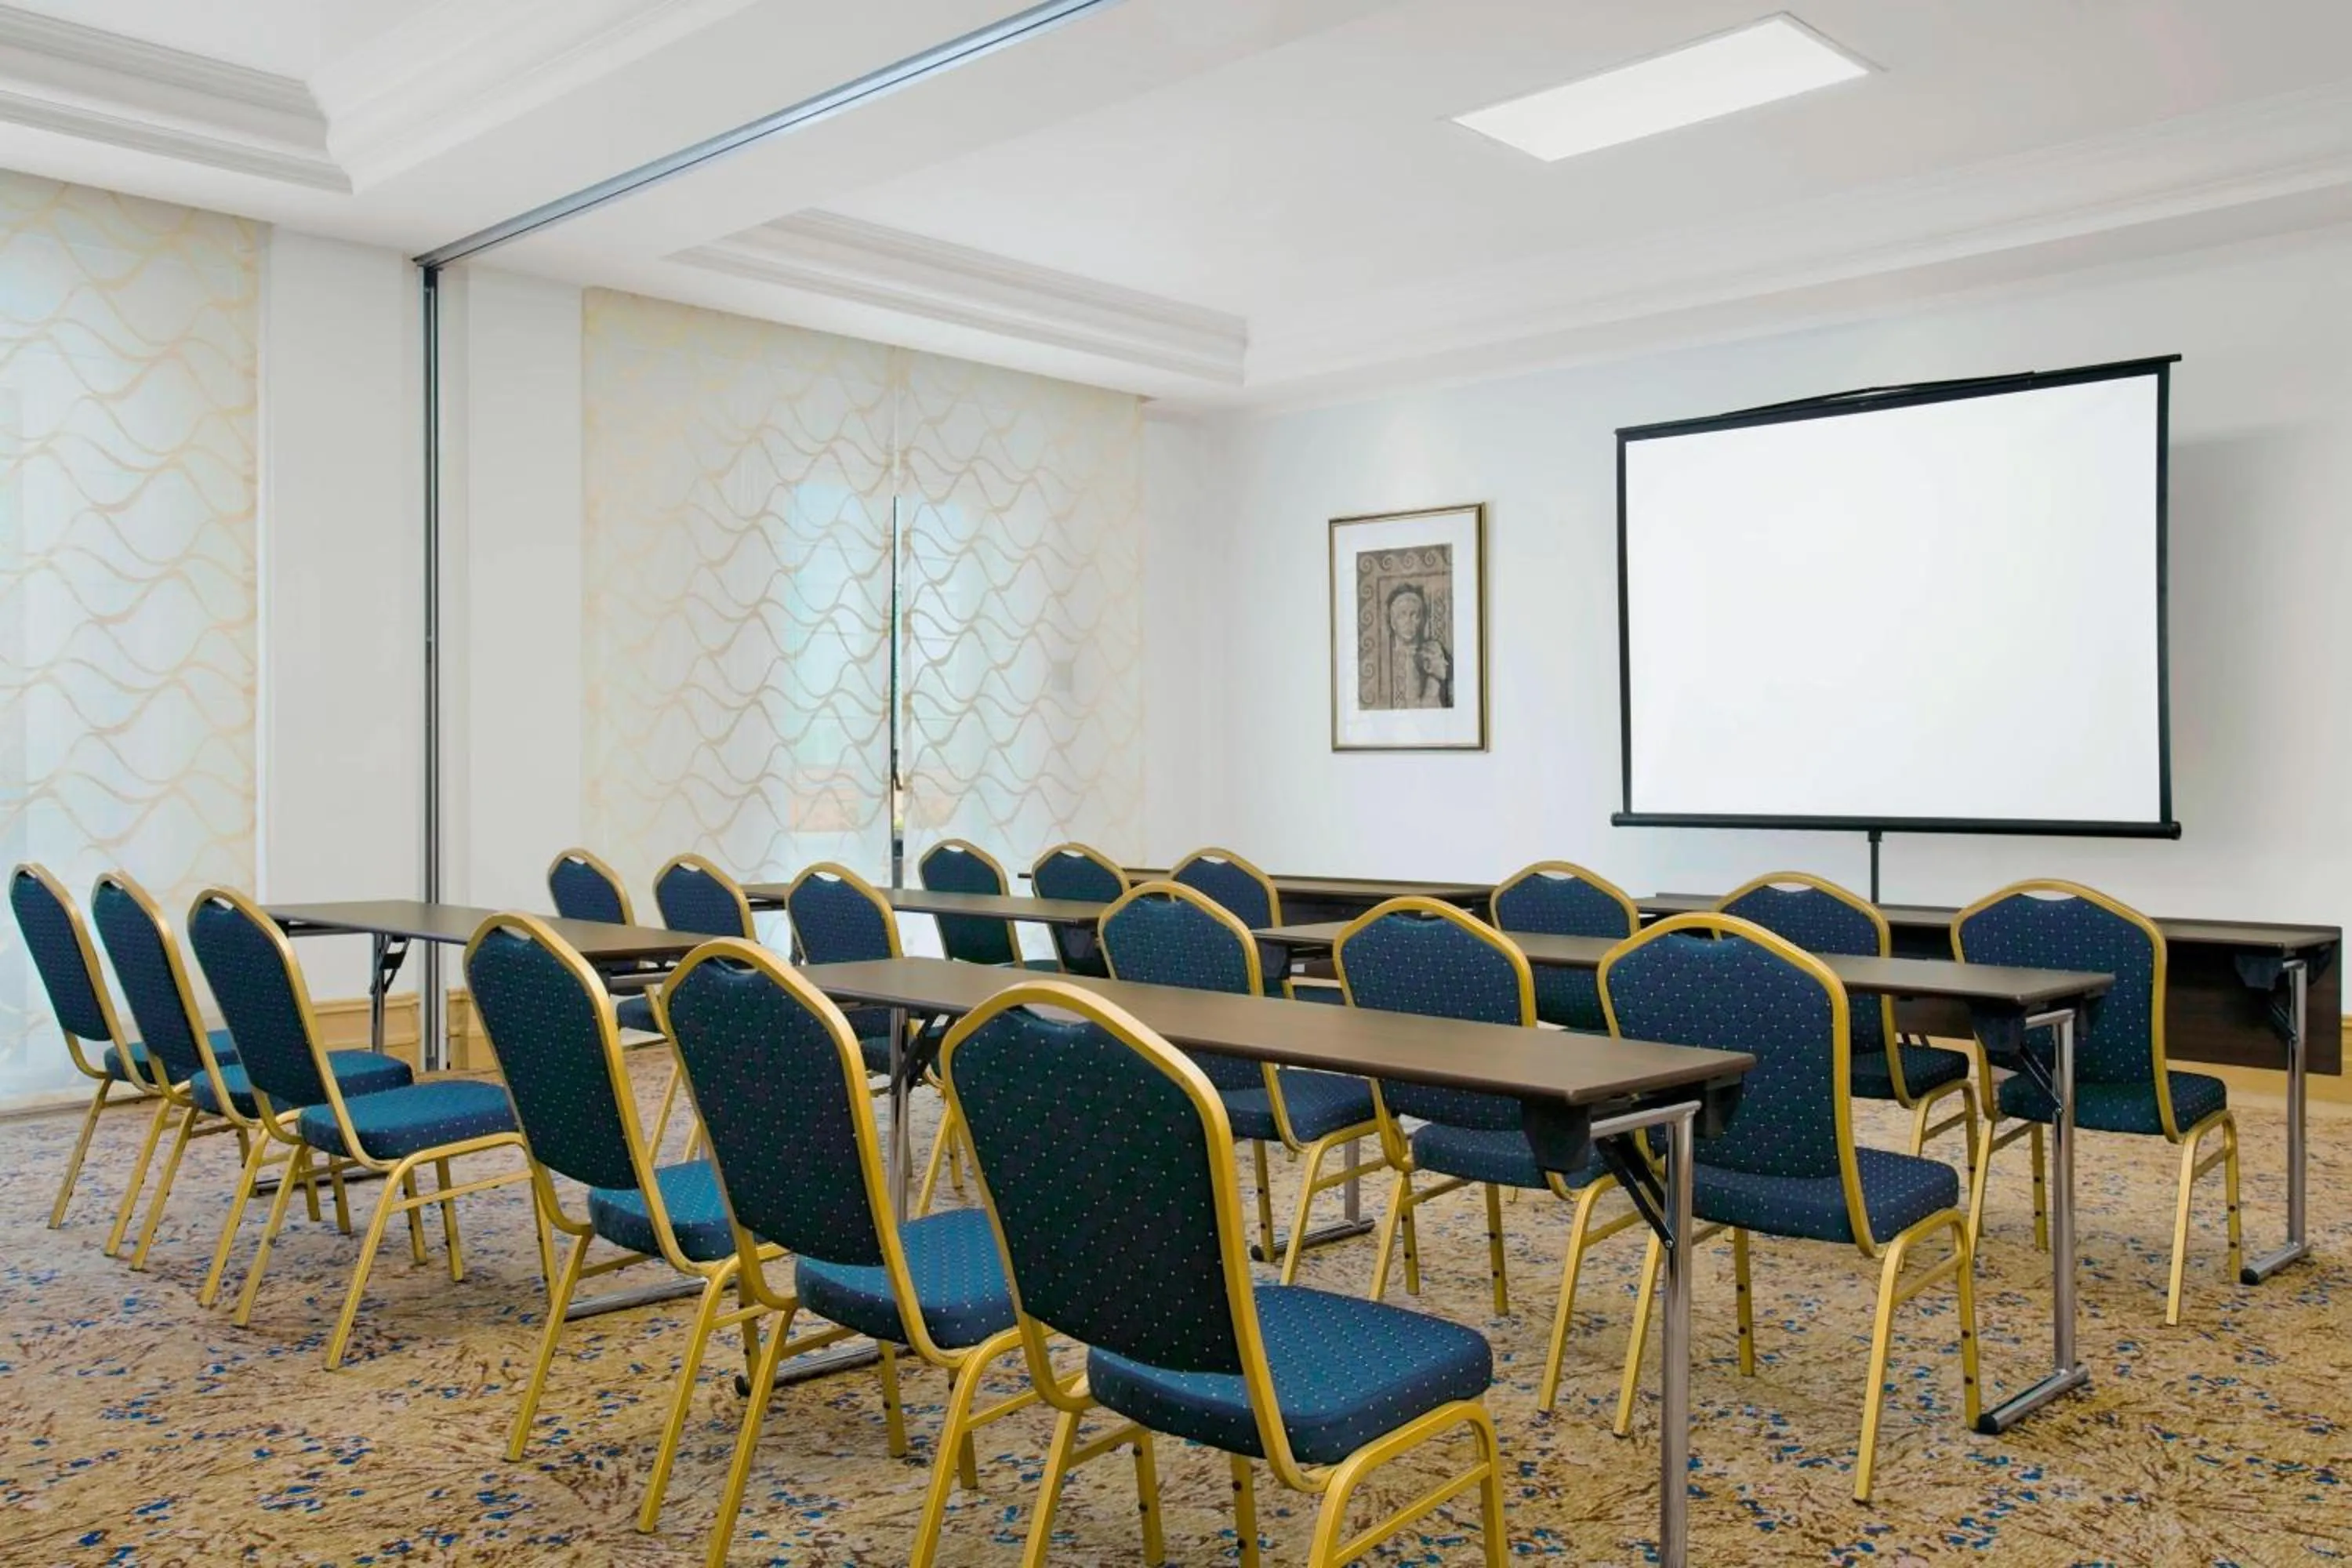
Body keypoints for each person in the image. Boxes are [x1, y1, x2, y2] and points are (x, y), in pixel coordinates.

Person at [1382, 582, 1451, 708]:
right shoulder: (1383, 661)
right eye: (1402, 615)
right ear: (1393, 622)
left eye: (1414, 615)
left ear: (1423, 620)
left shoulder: (1432, 653)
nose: (1408, 621)